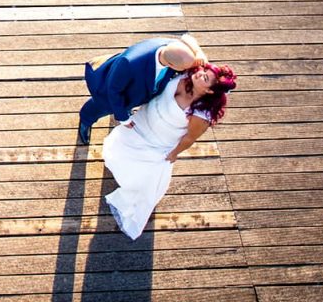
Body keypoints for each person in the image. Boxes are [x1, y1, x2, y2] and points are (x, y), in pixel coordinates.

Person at [100, 63, 237, 240]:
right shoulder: (188, 72)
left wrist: (174, 153)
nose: (199, 74)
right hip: (141, 121)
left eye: (205, 77)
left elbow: (189, 138)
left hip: (157, 141)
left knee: (142, 176)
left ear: (210, 92)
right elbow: (188, 42)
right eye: (204, 71)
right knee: (121, 148)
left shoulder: (202, 114)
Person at [79, 34, 206, 145]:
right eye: (185, 68)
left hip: (136, 92)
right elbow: (113, 91)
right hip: (108, 92)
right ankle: (85, 120)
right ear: (172, 65)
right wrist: (123, 118)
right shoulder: (129, 63)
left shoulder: (173, 48)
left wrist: (198, 52)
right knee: (99, 108)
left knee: (129, 102)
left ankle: (127, 107)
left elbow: (186, 37)